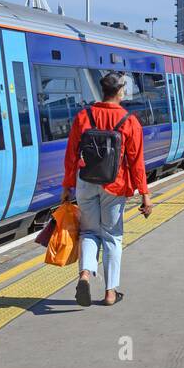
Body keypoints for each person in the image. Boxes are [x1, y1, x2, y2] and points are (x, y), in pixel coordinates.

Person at [61, 72, 153, 306]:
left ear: (102, 91)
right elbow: (136, 161)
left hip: (86, 182)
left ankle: (85, 275)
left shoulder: (84, 116)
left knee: (89, 233)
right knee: (112, 237)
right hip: (115, 184)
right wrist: (145, 194)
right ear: (120, 91)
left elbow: (71, 154)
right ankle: (111, 292)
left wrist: (67, 185)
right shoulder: (129, 121)